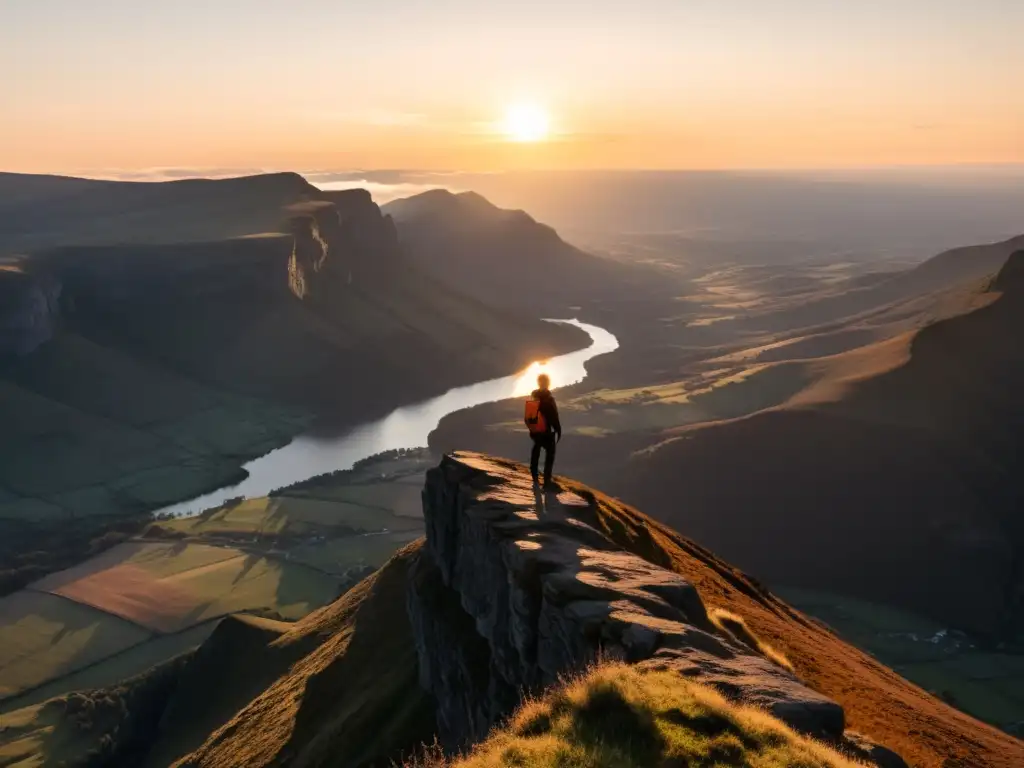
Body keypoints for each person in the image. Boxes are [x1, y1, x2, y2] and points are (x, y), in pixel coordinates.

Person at [526, 373, 562, 489]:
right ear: (547, 383)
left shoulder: (533, 397)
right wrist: (558, 429)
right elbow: (553, 417)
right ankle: (547, 481)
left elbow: (529, 416)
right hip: (547, 432)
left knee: (536, 450)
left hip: (536, 431)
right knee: (550, 455)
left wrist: (532, 429)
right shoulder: (548, 398)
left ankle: (534, 476)